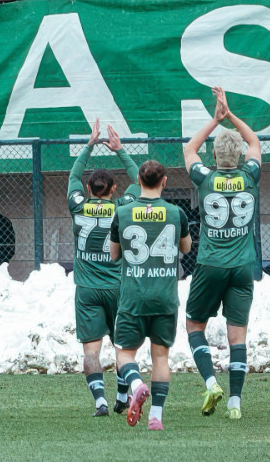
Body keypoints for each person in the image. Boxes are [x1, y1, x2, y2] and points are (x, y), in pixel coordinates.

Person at [182, 86, 263, 420]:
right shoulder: (250, 175)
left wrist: (214, 121)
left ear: (215, 158)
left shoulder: (206, 178)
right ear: (240, 156)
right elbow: (255, 142)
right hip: (243, 265)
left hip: (210, 263)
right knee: (237, 335)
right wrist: (230, 115)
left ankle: (211, 381)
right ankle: (235, 402)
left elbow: (189, 149)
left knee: (193, 324)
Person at [110, 160, 192, 431]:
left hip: (133, 296)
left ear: (137, 179)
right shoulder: (176, 212)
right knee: (160, 357)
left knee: (124, 355)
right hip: (164, 297)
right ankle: (155, 416)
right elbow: (187, 248)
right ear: (165, 181)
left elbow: (114, 254)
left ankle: (135, 384)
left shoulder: (122, 212)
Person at [67, 119, 139, 417]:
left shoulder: (78, 205)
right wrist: (121, 151)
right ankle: (124, 392)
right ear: (114, 188)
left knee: (91, 352)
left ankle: (101, 402)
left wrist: (88, 145)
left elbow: (72, 176)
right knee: (123, 347)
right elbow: (140, 180)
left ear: (88, 188)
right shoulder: (123, 207)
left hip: (88, 290)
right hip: (119, 288)